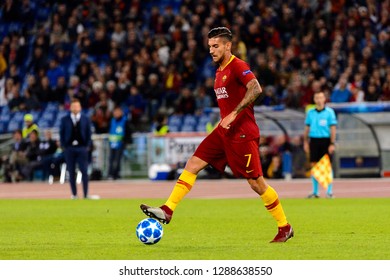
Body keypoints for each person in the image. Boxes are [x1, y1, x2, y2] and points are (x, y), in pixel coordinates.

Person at [140, 27, 294, 243]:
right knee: (192, 163)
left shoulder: (238, 65)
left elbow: (256, 88)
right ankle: (168, 209)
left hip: (242, 134)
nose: (211, 50)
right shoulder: (219, 70)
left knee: (256, 183)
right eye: (210, 46)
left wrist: (234, 113)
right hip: (223, 132)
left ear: (227, 46)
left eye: (216, 46)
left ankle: (284, 227)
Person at [303, 91, 338, 198]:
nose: (319, 99)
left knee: (327, 165)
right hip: (314, 140)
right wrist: (305, 141)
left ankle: (329, 191)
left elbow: (333, 128)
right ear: (314, 99)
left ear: (324, 99)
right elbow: (307, 128)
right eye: (317, 97)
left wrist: (332, 143)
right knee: (314, 165)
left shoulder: (329, 112)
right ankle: (315, 192)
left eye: (321, 97)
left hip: (325, 140)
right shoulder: (310, 112)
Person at [60, 98, 93, 199]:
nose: (75, 108)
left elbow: (89, 133)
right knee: (71, 172)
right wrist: (64, 146)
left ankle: (86, 194)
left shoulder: (85, 119)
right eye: (73, 106)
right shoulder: (64, 119)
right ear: (70, 107)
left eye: (77, 106)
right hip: (69, 149)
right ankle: (74, 194)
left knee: (84, 171)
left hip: (82, 148)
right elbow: (62, 134)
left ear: (80, 108)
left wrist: (87, 146)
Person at [107, 106, 133, 180]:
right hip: (112, 143)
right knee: (111, 159)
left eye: (118, 112)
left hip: (120, 143)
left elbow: (129, 132)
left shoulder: (125, 121)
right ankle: (110, 174)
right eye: (115, 112)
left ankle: (116, 174)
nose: (116, 113)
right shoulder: (112, 120)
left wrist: (126, 141)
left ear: (121, 112)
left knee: (118, 160)